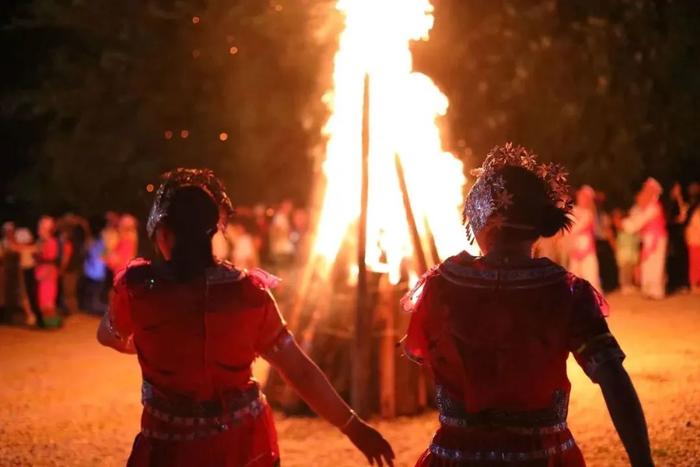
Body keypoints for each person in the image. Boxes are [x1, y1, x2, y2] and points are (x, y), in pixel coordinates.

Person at [97, 169, 394, 467]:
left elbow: (108, 335)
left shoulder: (140, 289)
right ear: (213, 231)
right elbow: (298, 369)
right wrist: (354, 428)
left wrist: (146, 343)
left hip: (171, 447)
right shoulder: (247, 293)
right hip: (242, 447)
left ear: (163, 233)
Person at [403, 144, 652, 466]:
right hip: (542, 459)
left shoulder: (442, 286)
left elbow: (428, 357)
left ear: (484, 223)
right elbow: (613, 376)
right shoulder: (565, 292)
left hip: (457, 458)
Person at [623, 178, 668, 300]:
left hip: (657, 239)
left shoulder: (654, 207)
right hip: (648, 238)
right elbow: (637, 218)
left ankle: (656, 291)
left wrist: (627, 225)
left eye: (647, 190)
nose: (644, 192)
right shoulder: (647, 207)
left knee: (656, 263)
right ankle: (648, 290)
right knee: (647, 263)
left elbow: (640, 221)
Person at [567, 185, 602, 293]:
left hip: (587, 249)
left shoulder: (589, 213)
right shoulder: (572, 210)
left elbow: (576, 228)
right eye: (581, 195)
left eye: (586, 197)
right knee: (574, 275)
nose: (583, 198)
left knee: (590, 275)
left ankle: (594, 300)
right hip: (574, 247)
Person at [664, 182, 689, 294]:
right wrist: (676, 220)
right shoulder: (669, 204)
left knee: (681, 258)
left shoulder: (681, 202)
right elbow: (668, 220)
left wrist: (680, 199)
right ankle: (672, 284)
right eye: (676, 189)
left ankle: (681, 284)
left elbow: (684, 215)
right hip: (672, 235)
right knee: (672, 259)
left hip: (680, 236)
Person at [612, 209, 640, 294]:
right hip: (623, 251)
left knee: (629, 269)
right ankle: (624, 286)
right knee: (624, 269)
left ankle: (629, 284)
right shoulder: (621, 226)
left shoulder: (627, 224)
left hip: (630, 250)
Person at [686, 182, 700, 293]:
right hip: (695, 241)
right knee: (695, 263)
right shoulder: (696, 213)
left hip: (696, 241)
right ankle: (694, 285)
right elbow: (691, 228)